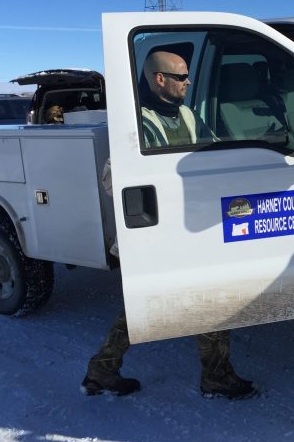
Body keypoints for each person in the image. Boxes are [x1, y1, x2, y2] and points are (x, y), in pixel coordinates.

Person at [82, 50, 256, 400]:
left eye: (188, 76)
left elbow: (215, 155)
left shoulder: (188, 116)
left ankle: (102, 371)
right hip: (158, 232)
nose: (188, 82)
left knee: (150, 304)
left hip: (189, 228)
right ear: (158, 78)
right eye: (181, 76)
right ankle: (215, 376)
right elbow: (113, 178)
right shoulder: (138, 124)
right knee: (208, 301)